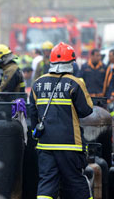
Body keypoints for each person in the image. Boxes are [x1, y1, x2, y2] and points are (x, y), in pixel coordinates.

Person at [30, 42, 93, 199]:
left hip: (45, 144)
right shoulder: (75, 82)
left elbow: (32, 113)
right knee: (76, 181)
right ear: (71, 62)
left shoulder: (37, 83)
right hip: (70, 144)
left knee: (47, 182)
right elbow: (86, 111)